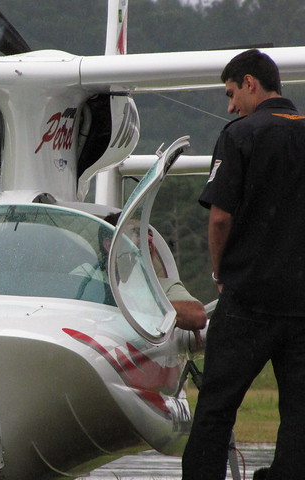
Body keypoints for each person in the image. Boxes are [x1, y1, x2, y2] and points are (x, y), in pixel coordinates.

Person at [182, 49, 305, 480]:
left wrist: (219, 274)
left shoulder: (241, 135)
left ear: (250, 83)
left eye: (231, 93)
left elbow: (220, 217)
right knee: (299, 413)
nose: (231, 106)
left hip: (249, 299)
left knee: (216, 407)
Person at [73, 212, 207, 332]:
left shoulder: (164, 287)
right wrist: (161, 310)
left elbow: (197, 316)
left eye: (149, 234)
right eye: (137, 233)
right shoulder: (85, 275)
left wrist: (142, 304)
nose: (148, 239)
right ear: (110, 245)